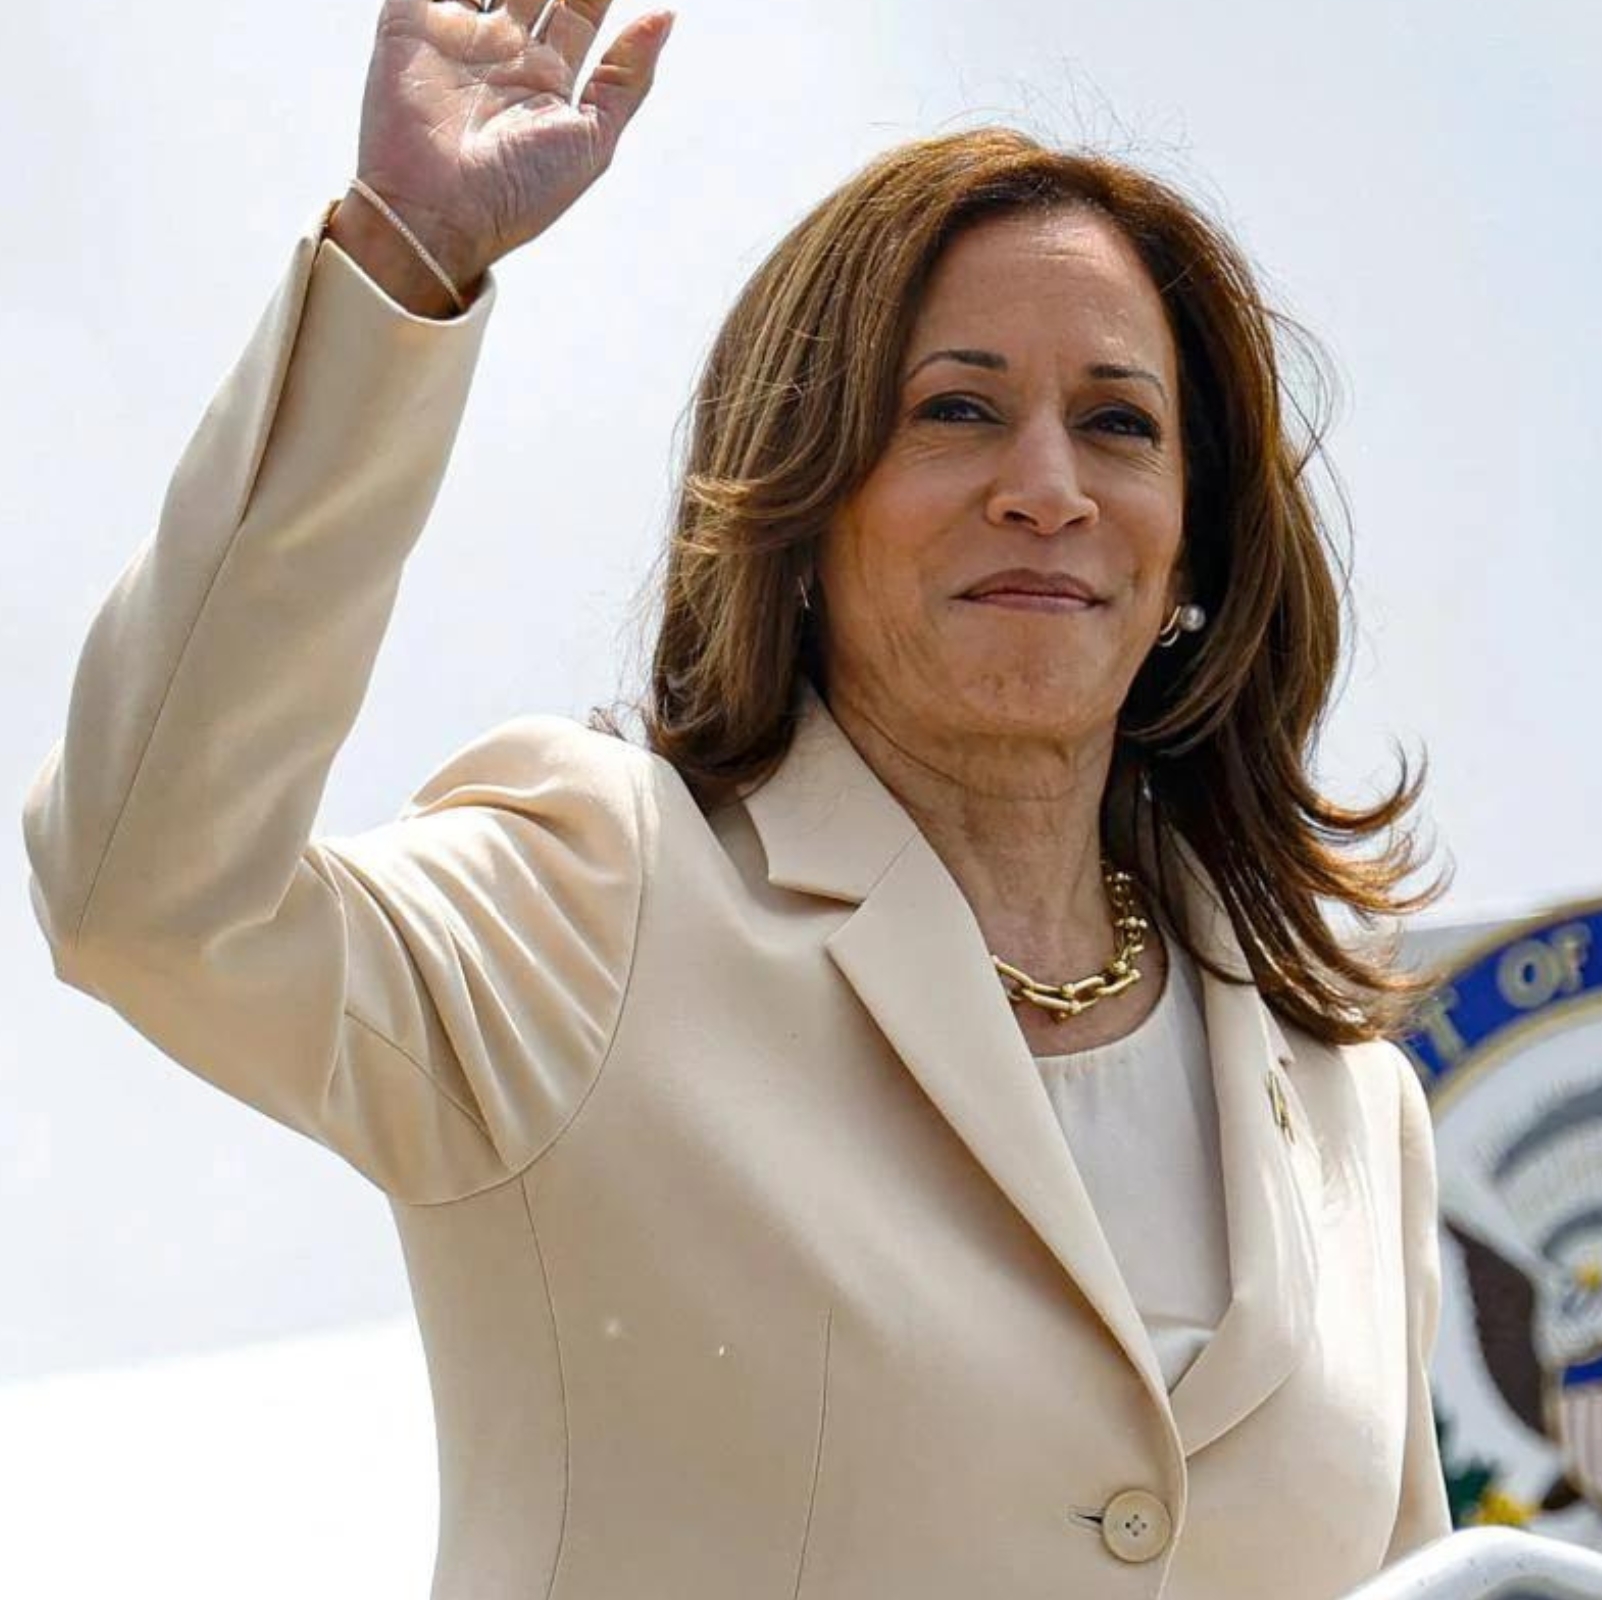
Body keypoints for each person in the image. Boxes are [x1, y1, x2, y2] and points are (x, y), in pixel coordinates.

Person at [21, 1, 1453, 1595]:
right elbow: (149, 897)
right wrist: (400, 266)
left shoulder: (1355, 1115)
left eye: (1118, 424)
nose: (1046, 487)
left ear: (1197, 546)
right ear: (801, 493)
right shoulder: (600, 901)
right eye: (955, 409)